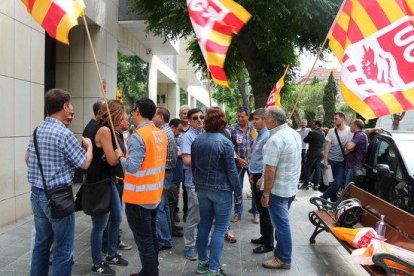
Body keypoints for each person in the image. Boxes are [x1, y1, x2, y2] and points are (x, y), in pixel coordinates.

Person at [27, 88, 93, 276]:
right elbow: (84, 163)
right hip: (58, 197)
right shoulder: (65, 134)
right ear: (64, 106)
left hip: (37, 193)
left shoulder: (37, 130)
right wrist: (89, 147)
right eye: (70, 105)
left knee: (41, 244)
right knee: (63, 249)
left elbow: (27, 157)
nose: (72, 108)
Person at [116, 98, 168, 276]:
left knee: (144, 242)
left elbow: (131, 167)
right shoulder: (160, 134)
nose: (131, 115)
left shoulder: (138, 136)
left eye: (132, 111)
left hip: (138, 200)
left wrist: (120, 157)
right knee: (151, 238)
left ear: (137, 111)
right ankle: (149, 271)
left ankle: (150, 273)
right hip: (153, 196)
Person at [191, 107, 242, 276]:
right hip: (221, 190)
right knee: (220, 229)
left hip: (202, 189)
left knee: (204, 224)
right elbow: (232, 171)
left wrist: (198, 185)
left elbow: (194, 167)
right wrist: (238, 194)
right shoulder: (225, 142)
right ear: (222, 122)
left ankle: (202, 263)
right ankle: (213, 269)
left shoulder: (197, 141)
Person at [84, 100, 129, 275]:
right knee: (99, 226)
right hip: (100, 183)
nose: (121, 120)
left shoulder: (92, 125)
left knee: (116, 218)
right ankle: (97, 262)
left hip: (105, 181)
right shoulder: (103, 130)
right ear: (113, 115)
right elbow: (111, 160)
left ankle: (111, 253)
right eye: (120, 116)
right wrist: (118, 154)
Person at [261, 106, 301, 270]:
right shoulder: (294, 134)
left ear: (272, 121)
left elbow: (271, 169)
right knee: (281, 224)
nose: (263, 121)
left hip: (278, 190)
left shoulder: (276, 139)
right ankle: (281, 253)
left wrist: (265, 193)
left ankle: (284, 258)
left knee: (281, 225)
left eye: (264, 118)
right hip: (290, 187)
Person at [102, 111, 132, 253]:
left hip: (121, 180)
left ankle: (115, 241)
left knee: (115, 216)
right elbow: (111, 159)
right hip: (115, 180)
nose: (128, 122)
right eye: (126, 119)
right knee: (114, 217)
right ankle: (108, 245)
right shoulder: (111, 135)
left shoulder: (120, 135)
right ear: (119, 121)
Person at [248, 108, 274, 254]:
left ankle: (268, 243)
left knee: (265, 210)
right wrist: (252, 173)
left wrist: (262, 178)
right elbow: (256, 156)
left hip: (262, 177)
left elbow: (267, 161)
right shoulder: (259, 135)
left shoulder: (268, 136)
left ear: (265, 119)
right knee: (260, 208)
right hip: (256, 174)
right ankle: (264, 236)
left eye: (257, 119)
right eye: (253, 119)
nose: (253, 122)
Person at [153, 107, 178, 251]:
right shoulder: (167, 131)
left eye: (154, 115)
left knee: (160, 207)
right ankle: (166, 235)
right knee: (165, 206)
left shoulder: (162, 133)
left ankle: (164, 239)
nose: (152, 117)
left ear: (161, 118)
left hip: (164, 172)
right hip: (167, 171)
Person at [181, 108, 204, 260]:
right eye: (195, 118)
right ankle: (189, 246)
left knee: (206, 215)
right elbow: (186, 161)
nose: (200, 120)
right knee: (194, 216)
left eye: (202, 117)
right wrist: (207, 160)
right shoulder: (187, 137)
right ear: (189, 120)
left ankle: (202, 242)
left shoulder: (206, 134)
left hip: (206, 183)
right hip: (193, 183)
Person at [227, 106, 258, 223]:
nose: (240, 118)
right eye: (238, 116)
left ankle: (256, 212)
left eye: (242, 116)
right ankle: (237, 212)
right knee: (237, 188)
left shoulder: (254, 128)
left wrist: (251, 159)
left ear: (248, 116)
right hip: (237, 163)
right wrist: (238, 158)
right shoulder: (232, 129)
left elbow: (259, 145)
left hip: (253, 163)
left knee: (255, 188)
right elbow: (229, 146)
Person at [321, 112, 352, 202]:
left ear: (342, 119)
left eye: (336, 119)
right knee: (331, 184)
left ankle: (323, 198)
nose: (334, 121)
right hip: (330, 161)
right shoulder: (331, 131)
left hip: (341, 163)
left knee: (337, 183)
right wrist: (325, 160)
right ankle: (333, 203)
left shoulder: (349, 131)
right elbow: (327, 146)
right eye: (334, 119)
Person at [299, 120, 325, 190]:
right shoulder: (323, 133)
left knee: (307, 168)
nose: (312, 125)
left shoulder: (312, 132)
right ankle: (316, 184)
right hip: (320, 153)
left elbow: (305, 140)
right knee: (318, 169)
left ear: (316, 124)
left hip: (312, 153)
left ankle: (306, 184)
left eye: (313, 124)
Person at [169, 118, 184, 237]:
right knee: (170, 203)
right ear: (173, 127)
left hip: (177, 176)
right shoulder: (170, 138)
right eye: (178, 130)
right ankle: (170, 228)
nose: (179, 132)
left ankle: (172, 226)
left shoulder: (176, 138)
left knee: (173, 203)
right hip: (172, 177)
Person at [176, 105, 190, 223]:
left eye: (188, 113)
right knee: (175, 189)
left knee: (187, 188)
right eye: (184, 113)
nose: (186, 115)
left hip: (189, 164)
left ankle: (187, 212)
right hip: (176, 164)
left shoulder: (194, 128)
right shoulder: (176, 127)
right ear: (180, 115)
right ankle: (174, 213)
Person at [344, 119, 368, 186]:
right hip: (353, 166)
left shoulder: (359, 135)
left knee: (348, 189)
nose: (350, 126)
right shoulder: (360, 134)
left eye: (351, 124)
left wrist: (348, 145)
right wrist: (349, 147)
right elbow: (346, 151)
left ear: (355, 126)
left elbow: (348, 148)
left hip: (353, 167)